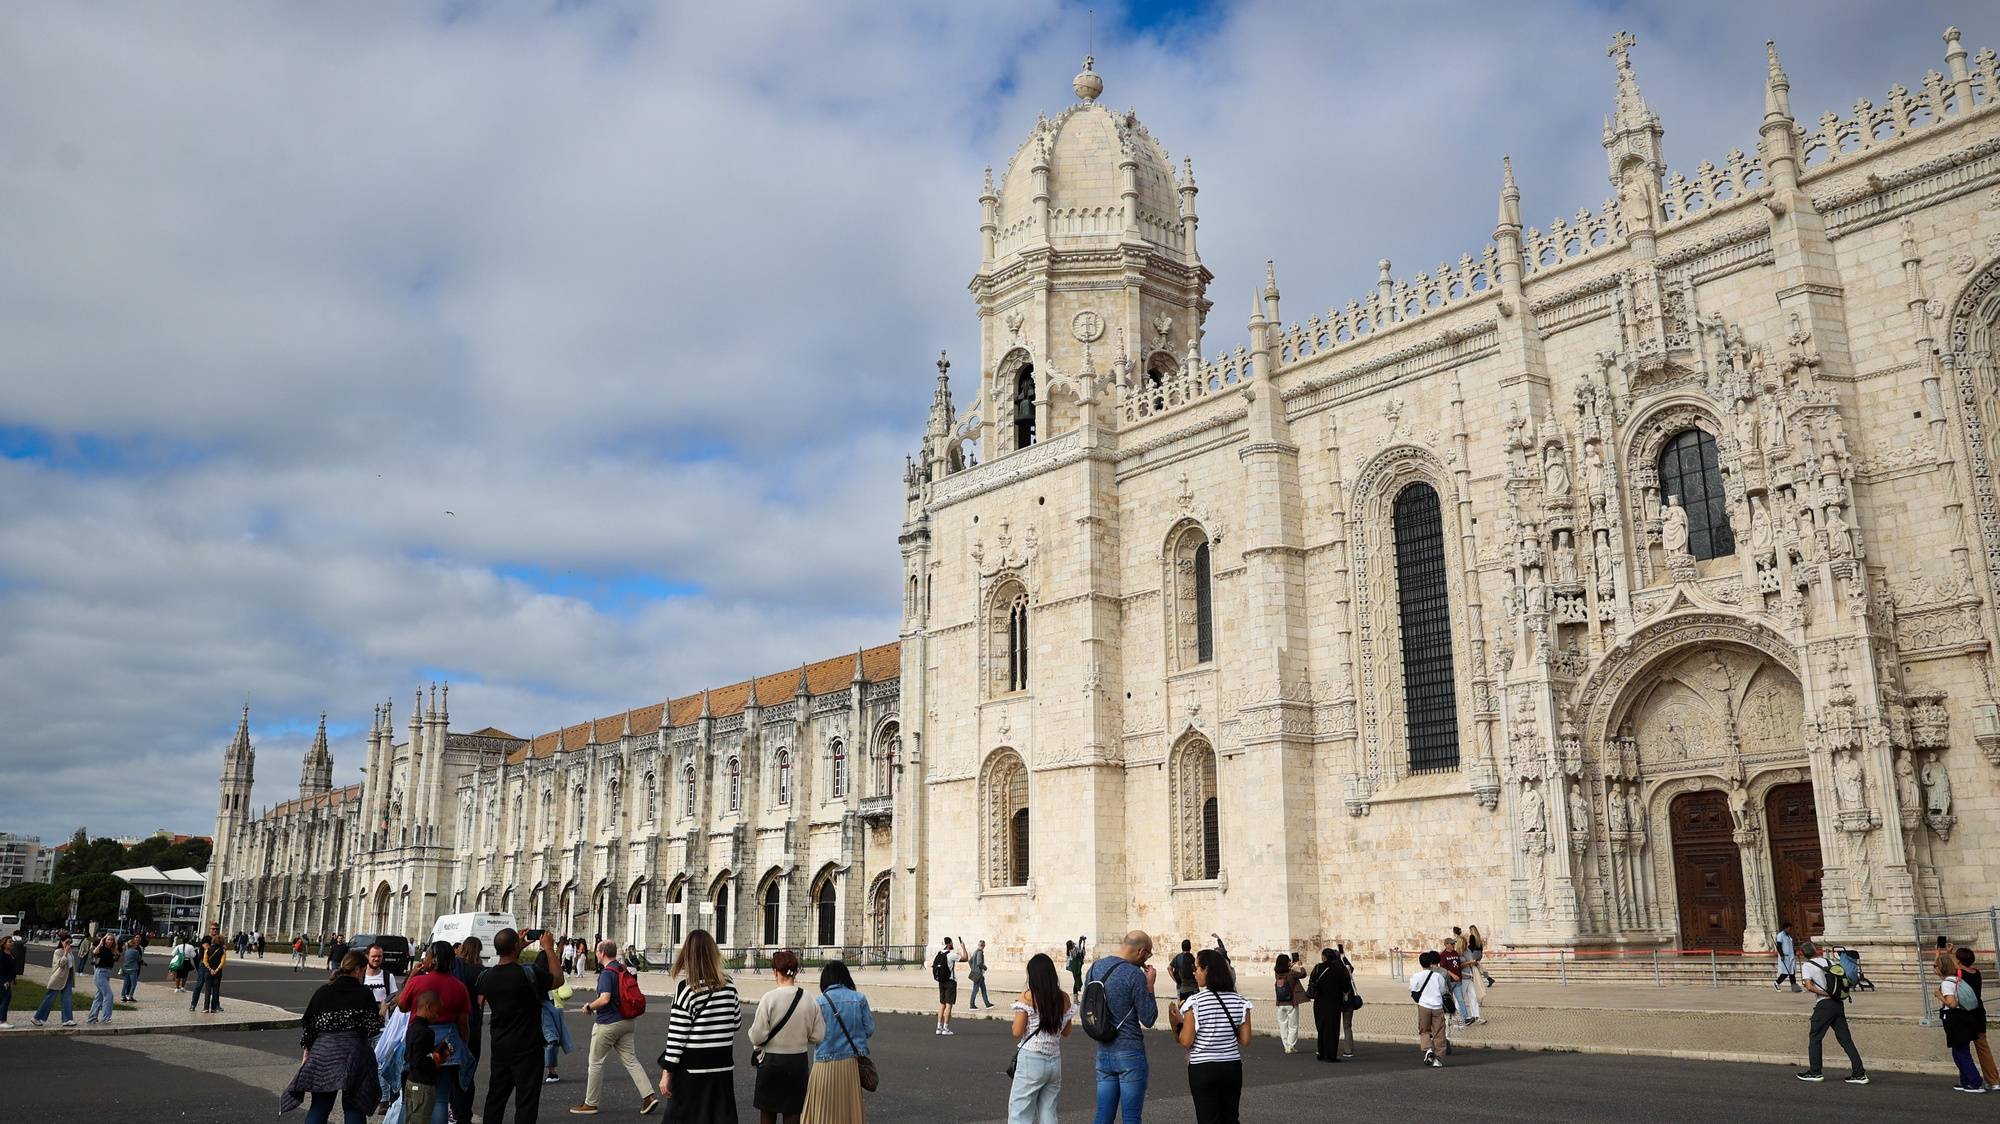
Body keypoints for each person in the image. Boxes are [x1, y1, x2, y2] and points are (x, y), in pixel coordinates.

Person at [282, 950, 387, 1124]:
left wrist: (307, 1052)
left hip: (325, 1053)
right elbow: (373, 1028)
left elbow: (309, 1027)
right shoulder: (364, 993)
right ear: (359, 970)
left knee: (320, 1107)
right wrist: (381, 1012)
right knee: (355, 1106)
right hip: (355, 1053)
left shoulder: (324, 992)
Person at [478, 927, 565, 1124]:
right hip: (528, 1048)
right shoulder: (530, 974)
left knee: (496, 1099)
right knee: (526, 1102)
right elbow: (558, 979)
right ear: (516, 946)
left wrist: (515, 947)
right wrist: (549, 949)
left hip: (500, 1047)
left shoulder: (486, 977)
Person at [653, 928, 740, 1123]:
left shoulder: (687, 989)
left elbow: (676, 1038)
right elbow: (736, 1023)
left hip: (692, 1070)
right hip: (722, 1066)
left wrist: (666, 1073)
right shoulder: (730, 986)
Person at [573, 939, 660, 1116]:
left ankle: (591, 1103)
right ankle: (649, 1096)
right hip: (627, 1021)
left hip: (608, 1023)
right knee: (631, 1060)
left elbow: (605, 998)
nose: (595, 954)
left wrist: (589, 1007)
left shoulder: (607, 973)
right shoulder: (622, 969)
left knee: (595, 1062)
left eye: (597, 951)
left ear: (603, 953)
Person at [1168, 949, 1251, 1124]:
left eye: (1196, 968)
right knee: (1230, 1117)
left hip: (1203, 1067)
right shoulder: (1241, 1001)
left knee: (1208, 1118)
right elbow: (1245, 1040)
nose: (1194, 972)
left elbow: (1186, 1040)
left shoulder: (1194, 1002)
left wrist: (1176, 1023)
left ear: (1207, 970)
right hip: (1231, 1066)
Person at [399, 941, 476, 1124]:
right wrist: (462, 1046)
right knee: (441, 1099)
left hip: (418, 1040)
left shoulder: (418, 981)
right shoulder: (458, 986)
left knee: (408, 1099)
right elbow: (463, 1023)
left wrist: (412, 976)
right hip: (446, 1045)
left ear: (433, 959)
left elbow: (402, 1006)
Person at [1089, 930, 1160, 1124]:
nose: (1147, 959)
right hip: (1130, 1052)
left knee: (1102, 1117)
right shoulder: (1134, 975)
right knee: (1131, 1118)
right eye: (1148, 954)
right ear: (1141, 951)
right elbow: (1149, 1018)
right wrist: (1150, 985)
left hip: (1103, 1051)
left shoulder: (1095, 968)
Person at [749, 948, 824, 1124]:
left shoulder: (769, 998)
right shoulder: (809, 998)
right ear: (796, 972)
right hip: (797, 1060)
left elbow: (757, 1036)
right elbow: (818, 1035)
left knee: (768, 1111)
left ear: (775, 972)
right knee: (793, 1112)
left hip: (772, 1061)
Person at [802, 959, 873, 1124]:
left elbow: (811, 1035)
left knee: (821, 1110)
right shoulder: (859, 998)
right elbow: (869, 1029)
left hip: (824, 1061)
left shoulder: (818, 1001)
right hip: (850, 1062)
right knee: (848, 1110)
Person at [1008, 952, 1074, 1124]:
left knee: (1020, 1111)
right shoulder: (1064, 998)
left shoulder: (1028, 997)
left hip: (1031, 1058)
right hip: (1054, 1060)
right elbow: (1066, 1032)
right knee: (1048, 1111)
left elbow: (1017, 1031)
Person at [1796, 939, 1868, 1084]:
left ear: (1803, 954)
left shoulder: (1807, 966)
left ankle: (1815, 1072)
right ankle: (1859, 1073)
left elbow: (1809, 986)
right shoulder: (1828, 962)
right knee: (1846, 1040)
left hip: (1824, 1005)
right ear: (1816, 950)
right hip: (1838, 1003)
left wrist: (1824, 994)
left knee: (1815, 1037)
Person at [403, 989, 454, 1124]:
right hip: (423, 1086)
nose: (437, 1016)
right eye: (437, 1012)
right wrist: (437, 1059)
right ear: (428, 1007)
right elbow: (420, 1061)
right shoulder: (426, 1032)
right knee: (420, 1119)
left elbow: (408, 1056)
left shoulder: (412, 1027)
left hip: (411, 1082)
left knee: (411, 1118)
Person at [1951, 946, 1998, 1091]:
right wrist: (1953, 955)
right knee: (1983, 1047)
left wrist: (1946, 953)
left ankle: (1968, 1079)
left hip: (1965, 1014)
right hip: (1978, 1012)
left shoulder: (1958, 974)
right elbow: (1959, 965)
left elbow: (1947, 968)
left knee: (1962, 1048)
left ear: (1958, 961)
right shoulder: (1977, 973)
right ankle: (1993, 1080)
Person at [1410, 950, 1450, 1067]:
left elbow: (1412, 989)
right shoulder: (1438, 976)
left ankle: (1428, 1050)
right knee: (1439, 1032)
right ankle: (1438, 1059)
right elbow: (1443, 990)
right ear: (1431, 963)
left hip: (1424, 1006)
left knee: (1424, 1030)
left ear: (1420, 963)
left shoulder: (1416, 976)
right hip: (1437, 1006)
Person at [31, 934, 75, 1027]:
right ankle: (37, 1017)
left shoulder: (70, 951)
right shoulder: (58, 952)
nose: (69, 944)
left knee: (67, 998)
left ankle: (67, 1019)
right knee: (50, 998)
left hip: (68, 978)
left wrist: (68, 952)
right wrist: (65, 953)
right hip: (58, 978)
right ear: (62, 942)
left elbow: (71, 966)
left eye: (70, 942)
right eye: (67, 942)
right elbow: (61, 964)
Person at [1439, 937, 1479, 1026]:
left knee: (1461, 1000)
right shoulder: (1443, 955)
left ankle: (1466, 1018)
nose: (1454, 945)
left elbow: (1458, 965)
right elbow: (1443, 968)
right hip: (1449, 981)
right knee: (1447, 1000)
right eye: (1452, 944)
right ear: (1446, 944)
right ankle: (1447, 1018)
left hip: (1458, 981)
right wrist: (1453, 975)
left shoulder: (1455, 953)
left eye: (1454, 944)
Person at [1272, 954, 1307, 1054]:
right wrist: (1299, 965)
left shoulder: (1277, 974)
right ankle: (1291, 1046)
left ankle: (1286, 1046)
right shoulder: (1292, 973)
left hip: (1280, 1003)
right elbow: (1303, 974)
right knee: (1293, 1025)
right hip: (1291, 1003)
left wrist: (1290, 965)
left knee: (1283, 1026)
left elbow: (1283, 968)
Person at [933, 935, 965, 1035]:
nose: (952, 944)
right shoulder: (951, 955)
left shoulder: (939, 954)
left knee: (942, 1004)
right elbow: (965, 958)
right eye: (951, 943)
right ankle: (946, 1028)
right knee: (949, 1005)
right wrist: (963, 947)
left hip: (941, 981)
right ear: (948, 944)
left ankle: (939, 1027)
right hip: (950, 982)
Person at [1168, 940, 1198, 1005]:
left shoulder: (1177, 957)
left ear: (1182, 947)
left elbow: (1169, 968)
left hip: (1180, 986)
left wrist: (1175, 980)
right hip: (1193, 987)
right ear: (1190, 947)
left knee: (1181, 1006)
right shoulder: (1192, 958)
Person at [119, 934, 145, 1003]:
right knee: (133, 983)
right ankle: (130, 996)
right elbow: (139, 959)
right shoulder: (135, 951)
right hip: (133, 969)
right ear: (133, 945)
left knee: (125, 983)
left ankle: (123, 996)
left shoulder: (126, 951)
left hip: (125, 968)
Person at [0, 934, 19, 1028]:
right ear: (4, 944)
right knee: (6, 999)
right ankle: (2, 1021)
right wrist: (5, 981)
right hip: (3, 980)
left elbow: (12, 969)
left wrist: (13, 979)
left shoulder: (11, 954)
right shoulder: (2, 955)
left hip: (8, 980)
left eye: (12, 942)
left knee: (2, 999)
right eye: (10, 942)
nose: (12, 943)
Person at [1774, 921, 1799, 992]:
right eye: (1789, 928)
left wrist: (1795, 952)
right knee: (1785, 972)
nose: (1790, 930)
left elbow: (1790, 946)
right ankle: (1777, 983)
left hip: (1791, 956)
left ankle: (1794, 987)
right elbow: (1778, 946)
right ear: (1785, 928)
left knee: (1792, 972)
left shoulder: (1789, 936)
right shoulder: (1780, 935)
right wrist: (1781, 955)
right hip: (1785, 957)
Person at [968, 940, 993, 1010]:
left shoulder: (976, 951)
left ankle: (987, 1004)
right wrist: (985, 967)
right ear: (984, 946)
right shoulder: (980, 952)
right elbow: (979, 963)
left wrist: (973, 969)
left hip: (978, 974)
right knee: (975, 990)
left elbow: (970, 961)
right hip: (978, 975)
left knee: (983, 990)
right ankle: (972, 1005)